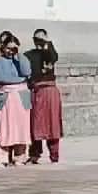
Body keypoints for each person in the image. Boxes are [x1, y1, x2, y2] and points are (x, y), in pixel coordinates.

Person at [0, 31, 33, 166]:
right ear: (3, 47)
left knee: (22, 126)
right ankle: (2, 157)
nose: (10, 51)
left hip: (22, 95)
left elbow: (27, 72)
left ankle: (20, 156)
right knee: (4, 125)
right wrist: (19, 80)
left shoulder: (21, 59)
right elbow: (0, 77)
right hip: (5, 94)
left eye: (13, 48)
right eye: (8, 48)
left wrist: (18, 56)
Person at [26, 28, 62, 164]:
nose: (38, 42)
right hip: (37, 91)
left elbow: (53, 57)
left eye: (41, 39)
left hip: (50, 91)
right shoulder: (30, 55)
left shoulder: (50, 53)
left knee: (53, 124)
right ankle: (35, 154)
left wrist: (47, 44)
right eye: (36, 39)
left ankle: (54, 154)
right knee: (36, 123)